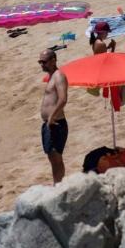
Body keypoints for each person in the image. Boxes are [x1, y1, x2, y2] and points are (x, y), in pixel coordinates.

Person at [39, 49, 69, 184]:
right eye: (40, 62)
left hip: (56, 123)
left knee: (56, 158)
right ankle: (57, 183)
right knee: (52, 157)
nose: (41, 65)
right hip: (49, 123)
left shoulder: (59, 76)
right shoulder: (52, 77)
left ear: (53, 60)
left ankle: (59, 185)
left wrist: (51, 116)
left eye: (44, 62)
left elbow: (63, 99)